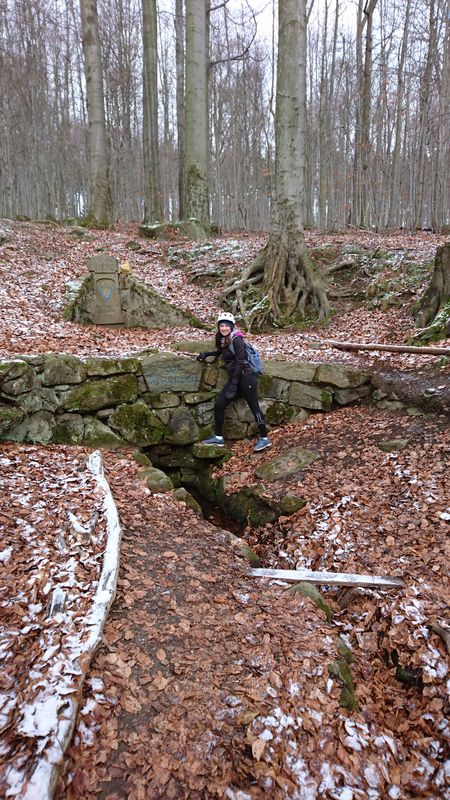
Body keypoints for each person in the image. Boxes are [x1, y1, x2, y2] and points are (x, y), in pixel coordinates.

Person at [197, 311, 272, 452]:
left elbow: (240, 362)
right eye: (221, 325)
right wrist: (207, 354)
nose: (224, 328)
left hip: (246, 377)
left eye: (227, 325)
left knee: (254, 407)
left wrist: (233, 384)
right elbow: (221, 352)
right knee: (219, 404)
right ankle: (218, 438)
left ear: (232, 326)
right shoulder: (222, 338)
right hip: (235, 378)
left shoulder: (237, 340)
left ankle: (264, 438)